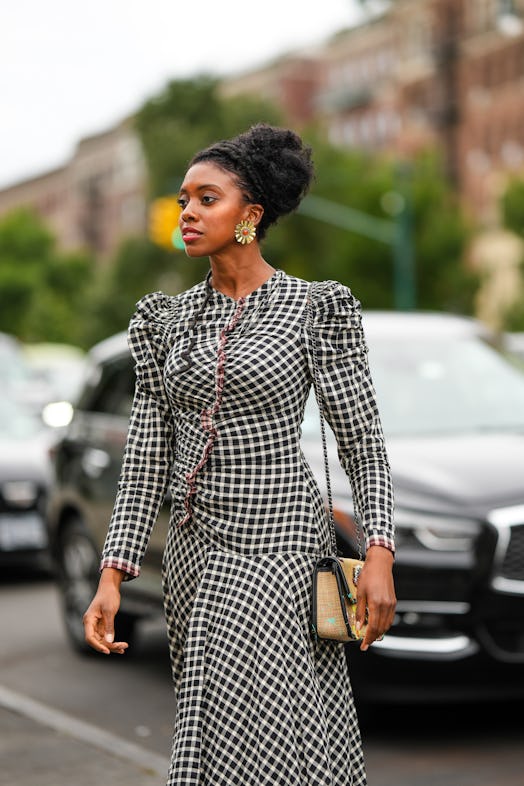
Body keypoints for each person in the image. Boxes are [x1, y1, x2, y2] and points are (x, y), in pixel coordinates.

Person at [83, 123, 396, 786]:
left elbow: (362, 440)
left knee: (276, 715)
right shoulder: (164, 322)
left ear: (251, 215)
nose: (187, 213)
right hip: (194, 552)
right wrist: (113, 570)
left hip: (279, 543)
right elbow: (146, 455)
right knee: (215, 712)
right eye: (182, 200)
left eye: (206, 198)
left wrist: (378, 552)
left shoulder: (316, 308)